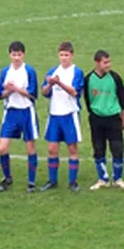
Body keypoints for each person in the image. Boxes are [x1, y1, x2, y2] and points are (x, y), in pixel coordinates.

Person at [41, 41, 86, 192]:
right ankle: (52, 181)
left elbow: (75, 92)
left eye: (66, 55)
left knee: (72, 148)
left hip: (69, 114)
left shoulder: (77, 72)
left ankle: (72, 182)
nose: (64, 58)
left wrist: (59, 84)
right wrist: (50, 84)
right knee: (52, 149)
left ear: (72, 55)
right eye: (61, 55)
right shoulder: (53, 71)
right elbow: (44, 92)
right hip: (54, 115)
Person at [0, 41, 40, 193]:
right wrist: (9, 91)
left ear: (23, 55)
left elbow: (33, 94)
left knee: (30, 148)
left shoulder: (29, 71)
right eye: (14, 55)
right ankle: (7, 177)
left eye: (19, 55)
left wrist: (15, 89)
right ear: (10, 55)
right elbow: (0, 95)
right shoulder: (5, 72)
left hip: (26, 112)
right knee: (2, 148)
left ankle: (31, 182)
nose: (16, 58)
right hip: (10, 112)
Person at [84, 50, 124, 191]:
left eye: (109, 62)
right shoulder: (89, 79)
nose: (108, 65)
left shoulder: (115, 78)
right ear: (97, 63)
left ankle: (117, 179)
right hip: (96, 119)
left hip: (114, 118)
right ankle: (102, 178)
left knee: (117, 148)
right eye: (105, 62)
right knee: (98, 149)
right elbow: (87, 99)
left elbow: (123, 100)